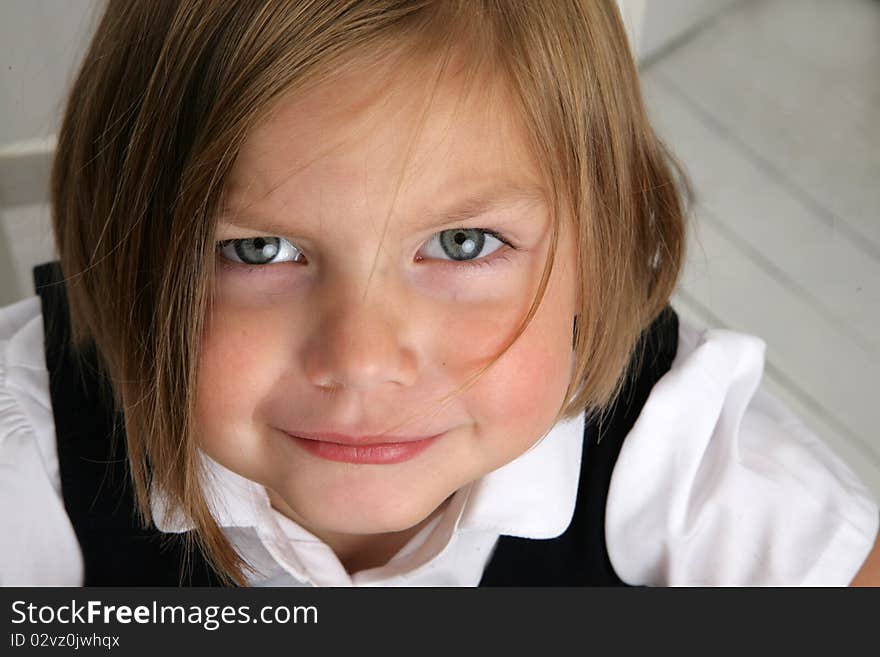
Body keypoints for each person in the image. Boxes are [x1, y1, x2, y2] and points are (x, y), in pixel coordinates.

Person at [1, 0, 877, 587]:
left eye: (463, 244)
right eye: (259, 249)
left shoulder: (672, 449)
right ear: (128, 252)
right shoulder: (38, 444)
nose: (363, 361)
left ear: (599, 248)